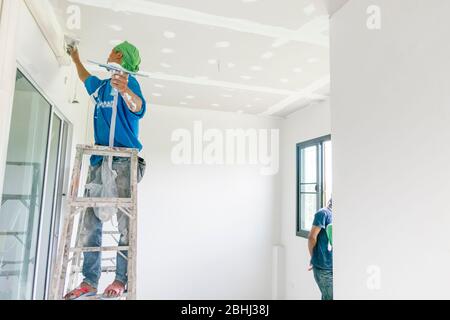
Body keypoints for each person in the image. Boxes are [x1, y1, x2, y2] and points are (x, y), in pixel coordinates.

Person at [64, 41, 147, 299]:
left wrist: (125, 92)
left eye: (113, 50)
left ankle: (121, 280)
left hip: (122, 163)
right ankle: (89, 281)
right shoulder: (101, 87)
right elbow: (85, 77)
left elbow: (138, 107)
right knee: (90, 224)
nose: (108, 52)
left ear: (119, 55)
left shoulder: (128, 83)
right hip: (99, 162)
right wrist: (75, 57)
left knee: (124, 226)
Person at [308, 198, 333, 300]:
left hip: (334, 266)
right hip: (323, 267)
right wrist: (313, 258)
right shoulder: (323, 213)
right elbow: (311, 237)